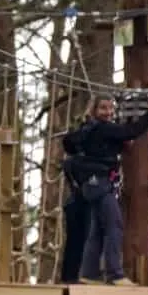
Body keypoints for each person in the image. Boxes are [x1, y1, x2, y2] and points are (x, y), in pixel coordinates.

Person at [63, 91, 148, 285]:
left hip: (92, 184)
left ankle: (89, 273)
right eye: (103, 108)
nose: (108, 112)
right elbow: (131, 131)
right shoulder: (102, 129)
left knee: (98, 229)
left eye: (111, 108)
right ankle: (115, 273)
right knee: (114, 225)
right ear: (93, 111)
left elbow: (120, 137)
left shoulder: (88, 130)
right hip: (99, 183)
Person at [59, 117, 93, 283]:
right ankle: (79, 277)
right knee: (84, 242)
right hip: (83, 203)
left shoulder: (70, 162)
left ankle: (70, 277)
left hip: (75, 203)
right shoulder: (80, 161)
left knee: (74, 244)